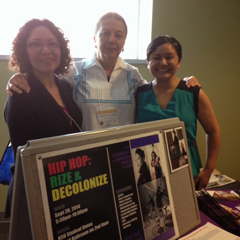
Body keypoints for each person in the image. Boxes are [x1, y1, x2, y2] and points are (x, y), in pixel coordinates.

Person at [6, 13, 201, 132]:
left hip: (124, 159)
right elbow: (45, 83)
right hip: (85, 161)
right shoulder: (74, 72)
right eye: (105, 33)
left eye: (118, 35)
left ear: (125, 41)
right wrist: (18, 77)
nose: (111, 40)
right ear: (94, 37)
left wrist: (184, 82)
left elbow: (159, 90)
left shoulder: (133, 76)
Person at [4, 19, 83, 217]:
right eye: (35, 44)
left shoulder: (64, 86)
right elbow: (26, 160)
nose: (45, 50)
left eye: (52, 44)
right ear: (24, 51)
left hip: (65, 187)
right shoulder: (20, 95)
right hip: (34, 195)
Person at [136, 35, 221, 190]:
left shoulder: (193, 92)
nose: (163, 63)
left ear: (179, 61)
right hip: (149, 180)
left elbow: (213, 131)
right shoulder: (138, 95)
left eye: (169, 57)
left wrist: (208, 170)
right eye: (156, 57)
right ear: (148, 62)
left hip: (187, 175)